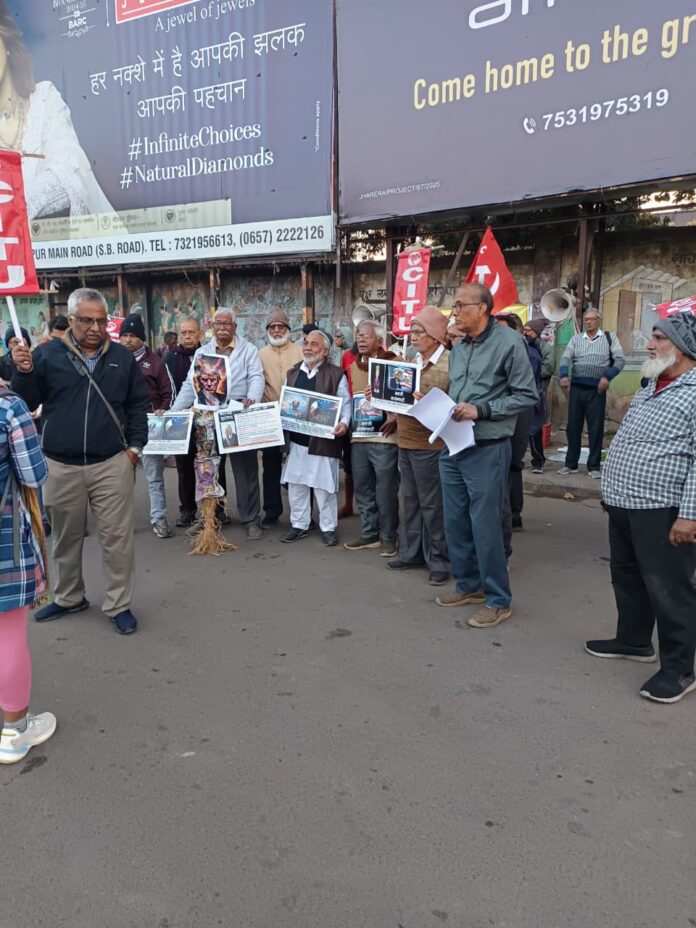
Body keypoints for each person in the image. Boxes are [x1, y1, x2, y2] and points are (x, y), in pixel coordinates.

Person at [11, 287, 148, 635]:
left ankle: (119, 604)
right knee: (65, 539)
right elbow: (27, 402)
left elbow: (136, 405)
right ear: (71, 320)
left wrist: (134, 449)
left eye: (101, 321)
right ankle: (70, 596)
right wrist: (24, 373)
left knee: (117, 539)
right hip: (60, 464)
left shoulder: (121, 357)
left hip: (111, 463)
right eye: (86, 320)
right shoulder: (46, 355)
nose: (94, 327)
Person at [585, 313, 696, 704]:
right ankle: (633, 641)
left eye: (659, 338)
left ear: (682, 348)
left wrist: (690, 515)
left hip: (664, 509)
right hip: (624, 502)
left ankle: (679, 669)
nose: (650, 346)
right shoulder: (653, 384)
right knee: (627, 576)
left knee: (670, 589)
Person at [436, 283, 537, 628]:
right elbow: (460, 392)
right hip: (453, 443)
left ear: (482, 308)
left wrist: (482, 410)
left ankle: (498, 599)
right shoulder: (460, 347)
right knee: (455, 520)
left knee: (485, 524)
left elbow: (526, 396)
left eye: (460, 305)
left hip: (488, 446)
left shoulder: (510, 343)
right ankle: (468, 586)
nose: (455, 312)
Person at [0, 1, 113, 219]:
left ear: (5, 36)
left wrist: (9, 209)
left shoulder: (44, 99)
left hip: (74, 248)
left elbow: (68, 177)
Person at [171, 307, 265, 540]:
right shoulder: (203, 353)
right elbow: (189, 385)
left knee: (246, 470)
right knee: (209, 470)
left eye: (227, 324)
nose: (222, 328)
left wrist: (252, 399)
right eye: (218, 324)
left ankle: (251, 519)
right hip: (209, 417)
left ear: (235, 327)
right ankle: (210, 518)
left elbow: (256, 376)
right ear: (212, 327)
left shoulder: (248, 350)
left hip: (238, 414)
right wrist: (175, 411)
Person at [0, 387, 57, 764]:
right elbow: (34, 474)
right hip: (5, 540)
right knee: (9, 633)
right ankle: (14, 730)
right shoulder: (8, 407)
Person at [387, 306, 450, 585]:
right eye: (411, 331)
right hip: (406, 440)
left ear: (435, 335)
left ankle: (439, 559)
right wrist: (380, 392)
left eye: (418, 331)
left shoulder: (450, 363)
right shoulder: (412, 361)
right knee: (410, 500)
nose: (412, 336)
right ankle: (411, 552)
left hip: (431, 445)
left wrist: (427, 402)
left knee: (432, 505)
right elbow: (400, 399)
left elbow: (451, 407)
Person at [280, 329, 350, 546]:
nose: (308, 347)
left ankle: (328, 528)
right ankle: (299, 525)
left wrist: (344, 423)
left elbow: (345, 403)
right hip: (297, 442)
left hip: (323, 441)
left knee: (325, 488)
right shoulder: (293, 374)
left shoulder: (336, 374)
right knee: (297, 486)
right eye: (306, 343)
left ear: (326, 351)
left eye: (314, 344)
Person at [344, 320, 399, 556]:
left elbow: (404, 394)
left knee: (385, 491)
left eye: (366, 336)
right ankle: (369, 533)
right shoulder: (353, 366)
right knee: (363, 489)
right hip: (359, 438)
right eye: (358, 335)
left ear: (379, 340)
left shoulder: (394, 362)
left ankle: (389, 536)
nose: (361, 339)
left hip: (384, 439)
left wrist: (395, 415)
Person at [119, 313, 175, 539]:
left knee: (153, 476)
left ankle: (159, 518)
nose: (127, 340)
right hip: (121, 429)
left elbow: (169, 392)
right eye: (124, 336)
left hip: (150, 427)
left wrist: (163, 409)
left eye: (132, 336)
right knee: (120, 478)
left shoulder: (156, 362)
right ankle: (119, 523)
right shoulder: (114, 361)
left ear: (141, 338)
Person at [558, 309, 624, 479]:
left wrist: (607, 377)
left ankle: (593, 466)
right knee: (573, 427)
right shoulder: (576, 339)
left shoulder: (609, 338)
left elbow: (620, 360)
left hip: (597, 390)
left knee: (595, 428)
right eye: (586, 320)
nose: (588, 322)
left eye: (592, 319)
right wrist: (564, 375)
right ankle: (570, 464)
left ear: (599, 321)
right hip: (577, 388)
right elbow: (565, 358)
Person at [496, 312, 542, 541]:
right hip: (504, 409)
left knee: (513, 463)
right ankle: (509, 513)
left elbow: (523, 387)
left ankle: (513, 514)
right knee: (504, 464)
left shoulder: (527, 352)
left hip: (519, 411)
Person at [258, 309, 303, 525]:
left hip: (297, 416)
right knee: (271, 465)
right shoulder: (260, 354)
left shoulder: (301, 352)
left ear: (288, 330)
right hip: (269, 417)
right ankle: (272, 511)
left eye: (281, 326)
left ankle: (302, 515)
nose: (277, 330)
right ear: (267, 330)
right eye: (272, 327)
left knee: (300, 465)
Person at [165, 318, 201, 527]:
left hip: (205, 417)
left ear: (199, 333)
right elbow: (169, 388)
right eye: (184, 333)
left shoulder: (207, 354)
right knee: (184, 466)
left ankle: (217, 509)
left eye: (191, 332)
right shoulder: (170, 358)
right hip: (181, 419)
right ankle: (187, 509)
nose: (187, 336)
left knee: (212, 464)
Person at [522, 317, 554, 473]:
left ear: (536, 333)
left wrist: (529, 372)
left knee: (534, 429)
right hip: (522, 393)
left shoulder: (546, 348)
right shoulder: (523, 346)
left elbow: (548, 369)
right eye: (524, 330)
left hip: (537, 393)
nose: (525, 333)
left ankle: (538, 461)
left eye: (528, 331)